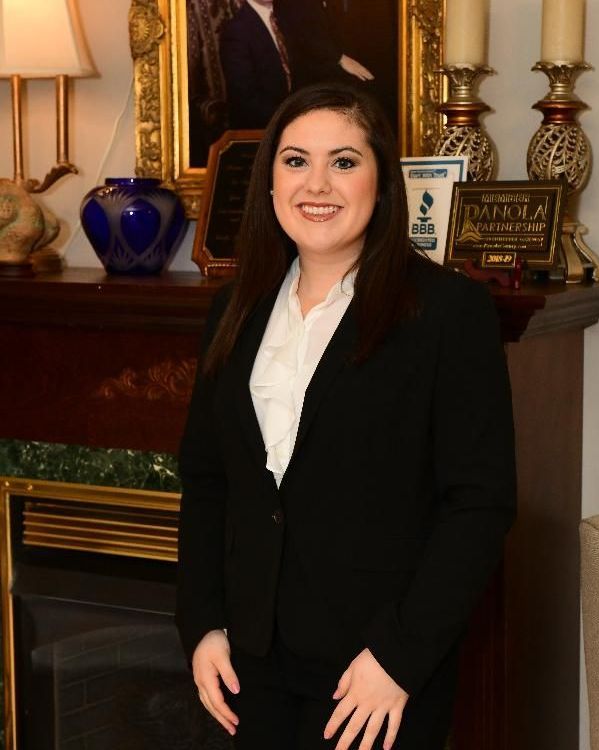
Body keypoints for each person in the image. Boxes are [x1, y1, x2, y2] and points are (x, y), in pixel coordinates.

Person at [176, 82, 516, 749]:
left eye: (344, 161)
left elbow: (478, 504)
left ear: (381, 181)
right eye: (295, 160)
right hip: (248, 668)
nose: (316, 184)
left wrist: (398, 657)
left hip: (372, 673)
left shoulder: (447, 315)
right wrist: (202, 624)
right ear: (270, 182)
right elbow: (206, 479)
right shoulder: (234, 311)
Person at [220, 0, 292, 129]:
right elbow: (246, 99)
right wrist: (289, 119)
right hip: (260, 131)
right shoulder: (235, 30)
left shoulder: (288, 18)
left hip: (296, 117)